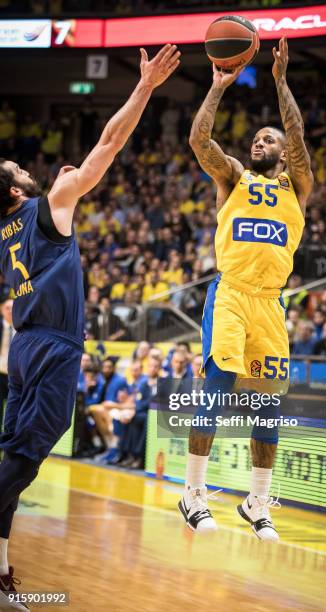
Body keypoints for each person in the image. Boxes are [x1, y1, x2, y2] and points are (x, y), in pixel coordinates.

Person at [0, 43, 180, 605]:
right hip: (51, 345)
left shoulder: (2, 232)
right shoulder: (49, 202)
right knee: (28, 455)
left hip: (23, 345)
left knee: (15, 457)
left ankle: (1, 566)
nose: (30, 170)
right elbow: (110, 142)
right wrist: (145, 86)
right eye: (20, 171)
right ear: (15, 191)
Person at [180, 38, 313, 541]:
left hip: (270, 304)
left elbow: (298, 138)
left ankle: (258, 501)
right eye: (256, 138)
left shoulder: (296, 185)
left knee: (268, 405)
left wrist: (280, 81)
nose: (260, 142)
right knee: (216, 390)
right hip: (232, 294)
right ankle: (193, 492)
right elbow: (199, 141)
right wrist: (216, 88)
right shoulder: (233, 177)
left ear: (283, 155)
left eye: (268, 140)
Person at [0, 299, 14, 431]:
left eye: (12, 308)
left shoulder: (22, 330)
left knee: (13, 411)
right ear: (1, 310)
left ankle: (9, 441)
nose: (10, 311)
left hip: (15, 376)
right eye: (7, 308)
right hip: (0, 374)